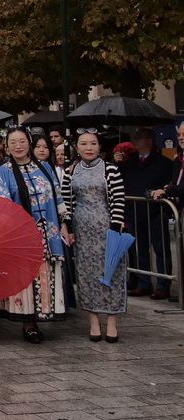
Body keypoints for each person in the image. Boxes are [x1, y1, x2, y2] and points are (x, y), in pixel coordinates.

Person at [0, 127, 67, 342]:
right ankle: (29, 322)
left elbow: (58, 196)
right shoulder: (4, 171)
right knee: (26, 278)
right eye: (13, 142)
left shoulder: (45, 167)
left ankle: (44, 312)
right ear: (7, 146)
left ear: (29, 143)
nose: (18, 146)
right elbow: (4, 205)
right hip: (22, 234)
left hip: (48, 231)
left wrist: (64, 223)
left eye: (22, 141)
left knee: (45, 273)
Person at [61, 130, 127, 342]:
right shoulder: (70, 171)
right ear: (77, 147)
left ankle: (112, 322)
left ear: (99, 147)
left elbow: (118, 199)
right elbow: (66, 202)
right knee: (86, 274)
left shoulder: (110, 170)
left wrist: (116, 226)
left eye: (93, 144)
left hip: (107, 227)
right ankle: (93, 321)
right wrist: (69, 227)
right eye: (84, 144)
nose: (88, 148)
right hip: (82, 229)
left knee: (112, 272)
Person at [121, 128, 175, 299]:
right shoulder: (129, 163)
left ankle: (163, 284)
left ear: (150, 141)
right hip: (135, 211)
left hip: (156, 211)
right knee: (139, 249)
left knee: (161, 249)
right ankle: (143, 283)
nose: (137, 143)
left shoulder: (164, 163)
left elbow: (170, 185)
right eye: (135, 139)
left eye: (141, 139)